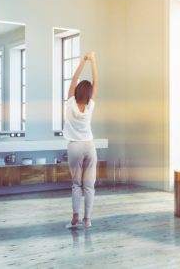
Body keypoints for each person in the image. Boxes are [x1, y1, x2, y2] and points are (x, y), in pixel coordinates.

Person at [64, 51, 98, 229]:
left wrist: (84, 60)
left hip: (74, 147)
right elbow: (96, 81)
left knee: (76, 183)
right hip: (90, 147)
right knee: (89, 185)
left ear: (77, 90)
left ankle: (75, 216)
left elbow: (75, 77)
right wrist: (93, 60)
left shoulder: (70, 102)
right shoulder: (90, 106)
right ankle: (87, 219)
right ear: (89, 93)